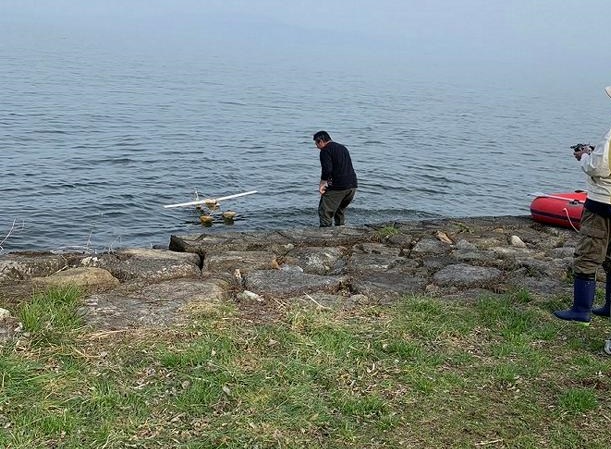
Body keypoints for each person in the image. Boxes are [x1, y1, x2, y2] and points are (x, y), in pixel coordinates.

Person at [553, 86, 611, 324]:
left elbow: (597, 168)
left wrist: (585, 156)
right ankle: (609, 307)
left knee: (588, 254)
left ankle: (580, 311)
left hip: (602, 204)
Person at [313, 130, 358, 227]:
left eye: (316, 143)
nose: (316, 146)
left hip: (339, 186)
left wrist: (322, 183)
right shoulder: (342, 148)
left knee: (325, 211)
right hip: (352, 185)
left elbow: (327, 169)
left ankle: (325, 233)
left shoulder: (325, 150)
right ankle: (340, 229)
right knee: (339, 210)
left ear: (321, 141)